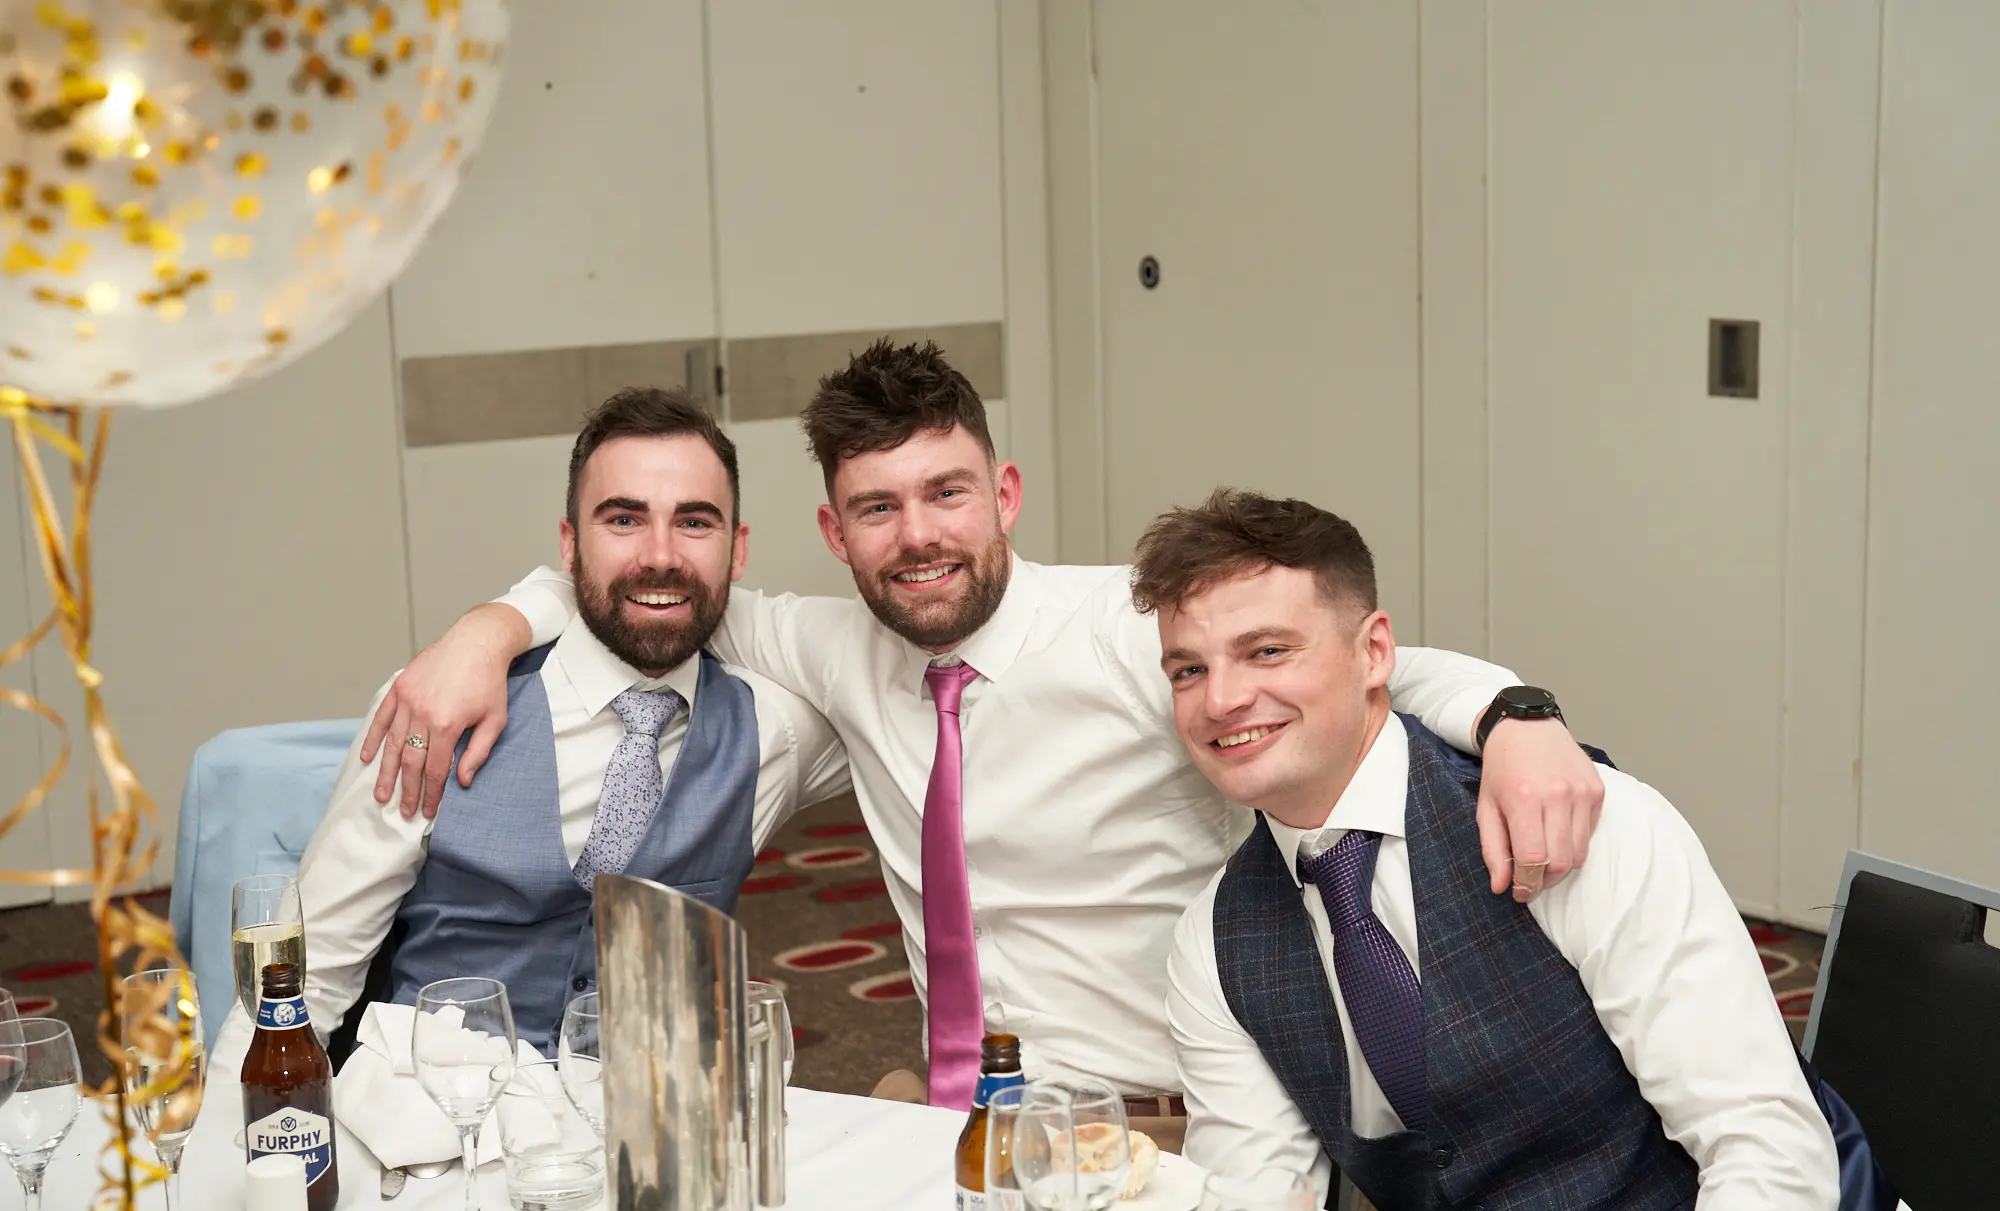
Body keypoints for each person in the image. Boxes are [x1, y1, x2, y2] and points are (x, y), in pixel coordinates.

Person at [355, 341, 1605, 1134]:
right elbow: (646, 579)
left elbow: (1341, 658)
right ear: (831, 534)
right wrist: (489, 622)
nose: (917, 537)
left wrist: (1513, 716)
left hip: (1168, 1119)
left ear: (1002, 496)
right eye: (876, 510)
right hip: (961, 1114)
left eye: (947, 494)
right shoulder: (828, 645)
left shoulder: (1128, 629)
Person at [1142, 490, 1937, 1211]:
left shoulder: (1567, 826)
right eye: (1188, 668)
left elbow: (1768, 1146)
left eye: (1265, 650)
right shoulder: (1217, 945)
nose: (1221, 698)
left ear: (1375, 650)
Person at [238, 389, 846, 1058]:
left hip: (650, 1125)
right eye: (623, 520)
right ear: (568, 543)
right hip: (442, 1122)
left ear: (739, 549)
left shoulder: (773, 729)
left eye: (696, 522)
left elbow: (916, 686)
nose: (661, 554)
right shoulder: (440, 709)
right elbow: (305, 980)